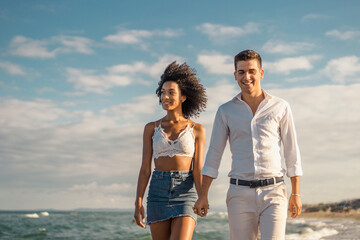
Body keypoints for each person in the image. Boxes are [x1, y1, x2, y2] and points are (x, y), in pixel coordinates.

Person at [193, 50, 303, 240]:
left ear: (261, 73)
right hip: (239, 193)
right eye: (241, 72)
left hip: (274, 191)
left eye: (251, 71)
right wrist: (203, 195)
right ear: (235, 75)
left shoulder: (280, 106)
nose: (247, 77)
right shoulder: (225, 111)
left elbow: (291, 151)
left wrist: (296, 193)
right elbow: (214, 154)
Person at [134, 61, 207, 240]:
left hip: (185, 191)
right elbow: (145, 168)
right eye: (163, 93)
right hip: (157, 191)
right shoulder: (151, 128)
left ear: (183, 96)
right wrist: (138, 201)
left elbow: (197, 169)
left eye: (171, 92)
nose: (165, 97)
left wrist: (202, 196)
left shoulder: (197, 129)